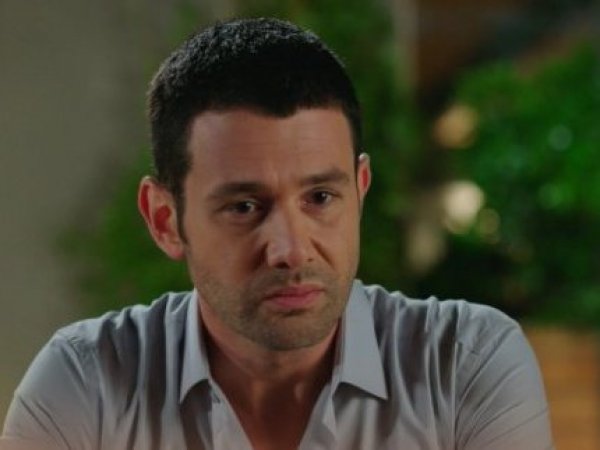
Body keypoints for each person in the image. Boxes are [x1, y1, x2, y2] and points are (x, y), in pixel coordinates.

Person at [1, 17, 554, 450]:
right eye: (244, 207)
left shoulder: (464, 365)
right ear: (166, 220)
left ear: (360, 191)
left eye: (321, 198)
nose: (291, 249)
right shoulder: (88, 383)